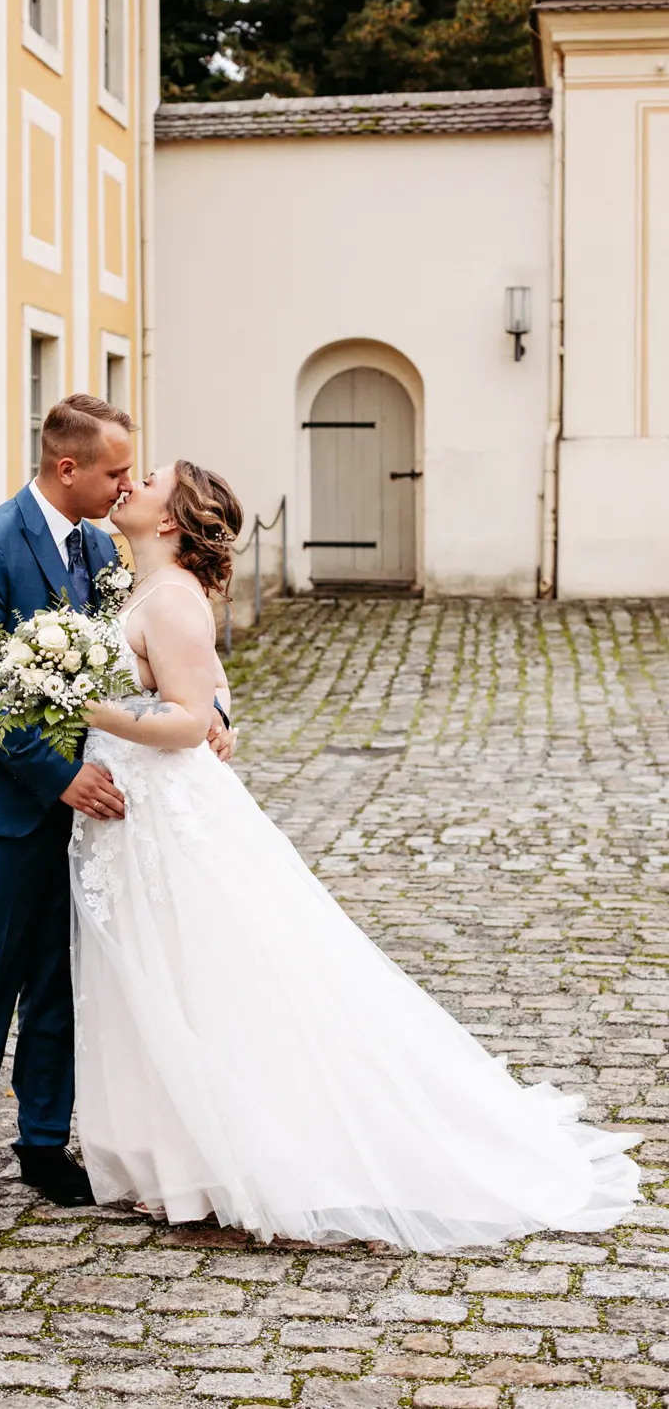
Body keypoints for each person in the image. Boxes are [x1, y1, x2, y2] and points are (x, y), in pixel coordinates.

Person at [71, 459, 642, 1250]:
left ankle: (237, 1158)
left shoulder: (169, 597)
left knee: (204, 974)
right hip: (133, 818)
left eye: (151, 478)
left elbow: (186, 719)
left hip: (169, 818)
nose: (132, 482)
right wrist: (205, 714)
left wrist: (90, 708)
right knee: (157, 977)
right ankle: (176, 1161)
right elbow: (213, 692)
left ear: (170, 518)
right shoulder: (144, 588)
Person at [0, 397, 235, 1235]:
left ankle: (45, 1145)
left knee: (60, 986)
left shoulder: (102, 549)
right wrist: (61, 778)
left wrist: (214, 714)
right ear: (67, 468)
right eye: (117, 471)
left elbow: (161, 653)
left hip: (94, 815)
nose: (127, 484)